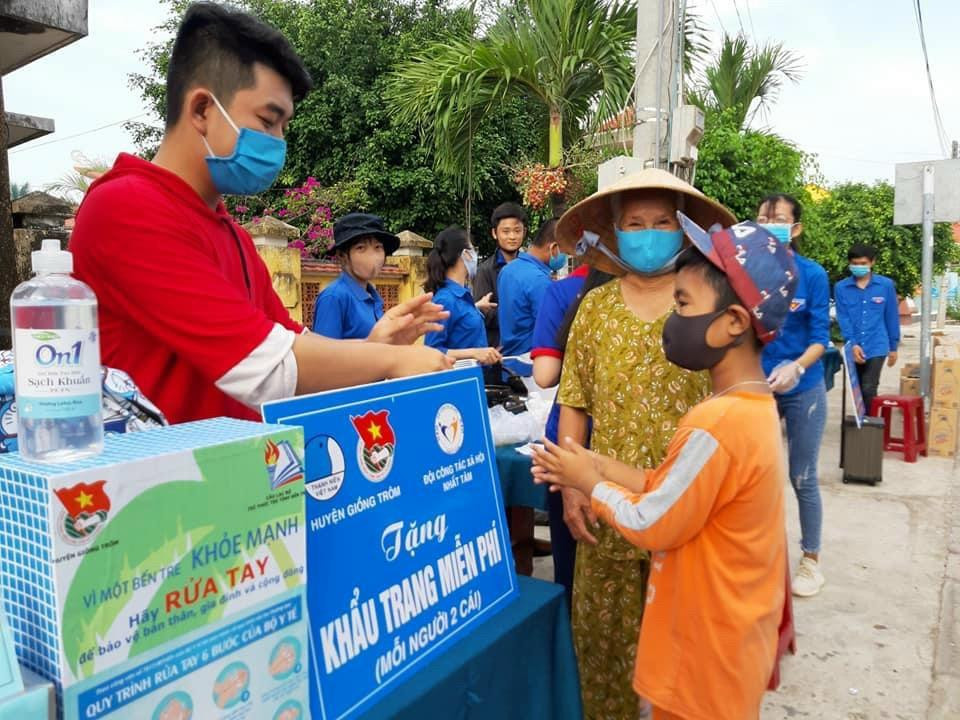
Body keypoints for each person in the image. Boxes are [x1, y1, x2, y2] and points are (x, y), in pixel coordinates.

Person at [69, 3, 451, 425]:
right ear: (201, 110)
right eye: (268, 121)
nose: (279, 142)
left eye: (283, 126)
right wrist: (388, 363)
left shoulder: (227, 229)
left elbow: (286, 341)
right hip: (160, 481)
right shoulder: (127, 208)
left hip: (238, 473)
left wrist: (377, 344)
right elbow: (264, 367)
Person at [533, 218, 797, 720]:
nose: (672, 321)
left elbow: (652, 519)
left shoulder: (714, 423)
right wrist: (597, 463)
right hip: (728, 646)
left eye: (683, 305)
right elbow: (672, 487)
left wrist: (591, 482)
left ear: (734, 322)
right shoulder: (752, 409)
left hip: (702, 660)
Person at [551, 168, 734, 719]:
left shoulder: (705, 310)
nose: (648, 232)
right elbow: (574, 403)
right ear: (614, 231)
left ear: (684, 232)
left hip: (687, 508)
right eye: (635, 223)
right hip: (605, 506)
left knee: (684, 653)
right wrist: (571, 489)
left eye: (661, 223)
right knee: (604, 648)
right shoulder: (596, 309)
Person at [757, 194, 831, 598]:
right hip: (759, 387)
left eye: (779, 220)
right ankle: (762, 555)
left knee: (802, 476)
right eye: (764, 218)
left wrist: (797, 367)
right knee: (757, 477)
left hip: (803, 386)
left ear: (796, 228)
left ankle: (811, 560)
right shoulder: (745, 273)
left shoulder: (813, 275)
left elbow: (821, 338)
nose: (770, 225)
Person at [531, 264, 612, 608]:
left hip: (570, 440)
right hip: (617, 446)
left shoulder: (565, 291)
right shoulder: (665, 293)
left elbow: (545, 375)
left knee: (573, 572)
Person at [835, 243, 900, 413]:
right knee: (858, 390)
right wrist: (852, 343)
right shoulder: (841, 288)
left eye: (863, 263)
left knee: (869, 387)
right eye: (855, 263)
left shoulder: (885, 286)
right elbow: (844, 318)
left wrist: (893, 347)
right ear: (850, 264)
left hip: (877, 344)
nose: (859, 267)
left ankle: (870, 426)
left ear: (872, 262)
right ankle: (863, 422)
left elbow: (891, 316)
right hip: (854, 345)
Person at [423, 226, 502, 365]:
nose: (475, 255)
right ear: (466, 254)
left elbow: (458, 320)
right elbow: (431, 351)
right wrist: (475, 353)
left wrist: (476, 308)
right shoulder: (445, 299)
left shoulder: (463, 294)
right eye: (473, 249)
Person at [312, 213, 394, 339]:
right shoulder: (334, 297)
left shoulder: (373, 297)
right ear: (342, 256)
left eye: (377, 247)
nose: (372, 256)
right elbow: (323, 354)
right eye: (361, 248)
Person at [497, 219, 568, 359]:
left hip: (509, 357)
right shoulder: (540, 281)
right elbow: (551, 329)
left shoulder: (507, 270)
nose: (565, 257)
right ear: (554, 248)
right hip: (530, 362)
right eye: (565, 251)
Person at [474, 202, 527, 347]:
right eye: (506, 231)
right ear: (494, 233)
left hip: (526, 347)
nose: (512, 236)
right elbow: (483, 313)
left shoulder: (530, 268)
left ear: (524, 232)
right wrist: (520, 314)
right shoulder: (485, 270)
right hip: (497, 349)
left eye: (517, 231)